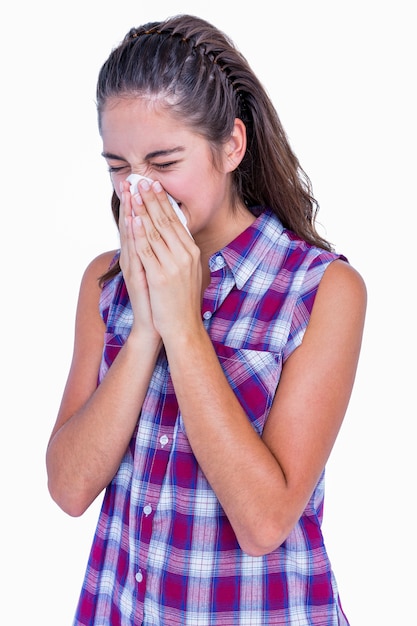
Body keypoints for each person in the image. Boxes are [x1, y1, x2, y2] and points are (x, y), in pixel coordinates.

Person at [46, 13, 367, 626]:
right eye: (119, 165)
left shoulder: (321, 289)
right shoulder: (104, 282)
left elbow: (266, 522)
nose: (138, 190)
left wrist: (184, 328)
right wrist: (144, 328)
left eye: (164, 162)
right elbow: (68, 488)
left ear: (231, 146)